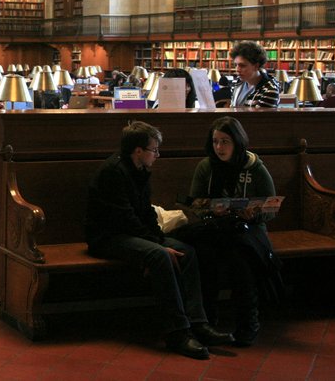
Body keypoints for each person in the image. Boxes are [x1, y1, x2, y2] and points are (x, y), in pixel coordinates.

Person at [84, 121, 233, 359]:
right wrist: (157, 245)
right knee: (159, 256)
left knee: (186, 251)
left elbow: (146, 213)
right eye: (154, 150)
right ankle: (178, 333)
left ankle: (198, 323)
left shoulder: (140, 170)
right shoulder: (113, 172)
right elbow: (125, 220)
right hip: (108, 237)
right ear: (138, 151)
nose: (157, 155)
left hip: (131, 234)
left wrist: (159, 239)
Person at [185, 117, 280, 347]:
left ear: (237, 142)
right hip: (216, 228)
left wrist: (254, 212)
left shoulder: (254, 167)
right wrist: (209, 209)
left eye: (225, 141)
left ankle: (248, 322)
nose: (219, 148)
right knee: (202, 255)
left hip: (247, 230)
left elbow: (272, 206)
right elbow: (194, 203)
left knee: (240, 259)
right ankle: (206, 321)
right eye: (216, 141)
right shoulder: (206, 167)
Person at [229, 41, 280, 108]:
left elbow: (260, 118)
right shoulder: (236, 82)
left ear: (256, 66)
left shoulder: (269, 90)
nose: (237, 70)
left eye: (242, 65)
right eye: (236, 65)